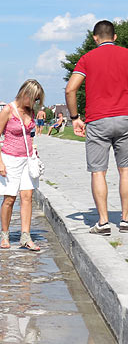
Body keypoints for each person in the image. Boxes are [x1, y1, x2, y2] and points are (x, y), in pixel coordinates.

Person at [66, 19, 128, 235]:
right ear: (115, 37)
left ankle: (102, 223)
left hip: (97, 120)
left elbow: (70, 89)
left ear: (94, 38)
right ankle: (125, 220)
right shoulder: (126, 54)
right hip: (125, 118)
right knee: (125, 170)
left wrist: (75, 117)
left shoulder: (87, 59)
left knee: (98, 173)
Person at [0, 79, 45, 251]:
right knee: (9, 199)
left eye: (38, 99)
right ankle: (5, 235)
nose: (35, 102)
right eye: (34, 98)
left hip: (28, 159)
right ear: (25, 94)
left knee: (27, 197)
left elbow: (30, 134)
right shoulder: (8, 110)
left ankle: (26, 237)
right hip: (10, 159)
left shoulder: (31, 111)